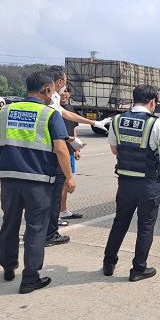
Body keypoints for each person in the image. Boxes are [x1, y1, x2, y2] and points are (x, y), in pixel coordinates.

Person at [0, 71, 75, 294]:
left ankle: (8, 267)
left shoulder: (5, 110)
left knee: (10, 223)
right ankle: (30, 278)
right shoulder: (49, 114)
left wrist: (14, 153)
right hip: (37, 181)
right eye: (53, 91)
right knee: (36, 228)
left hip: (9, 179)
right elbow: (62, 148)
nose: (53, 94)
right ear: (46, 90)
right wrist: (70, 177)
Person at [102, 84, 160, 282]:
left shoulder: (117, 120)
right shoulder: (155, 123)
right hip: (148, 183)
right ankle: (138, 269)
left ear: (134, 99)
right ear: (152, 102)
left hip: (125, 182)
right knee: (145, 226)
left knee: (120, 222)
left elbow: (115, 150)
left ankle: (109, 263)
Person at [43, 66, 107, 247]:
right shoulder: (48, 99)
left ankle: (47, 230)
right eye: (64, 82)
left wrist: (94, 122)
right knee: (54, 192)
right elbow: (57, 122)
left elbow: (67, 114)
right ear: (61, 82)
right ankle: (49, 234)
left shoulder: (53, 97)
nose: (65, 89)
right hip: (52, 151)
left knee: (51, 193)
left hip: (54, 148)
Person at [59, 87, 82, 221]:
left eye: (67, 91)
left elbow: (73, 130)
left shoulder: (71, 109)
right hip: (59, 151)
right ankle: (56, 213)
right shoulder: (54, 109)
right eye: (62, 91)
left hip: (70, 151)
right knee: (61, 182)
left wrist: (77, 148)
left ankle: (63, 210)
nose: (64, 94)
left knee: (66, 182)